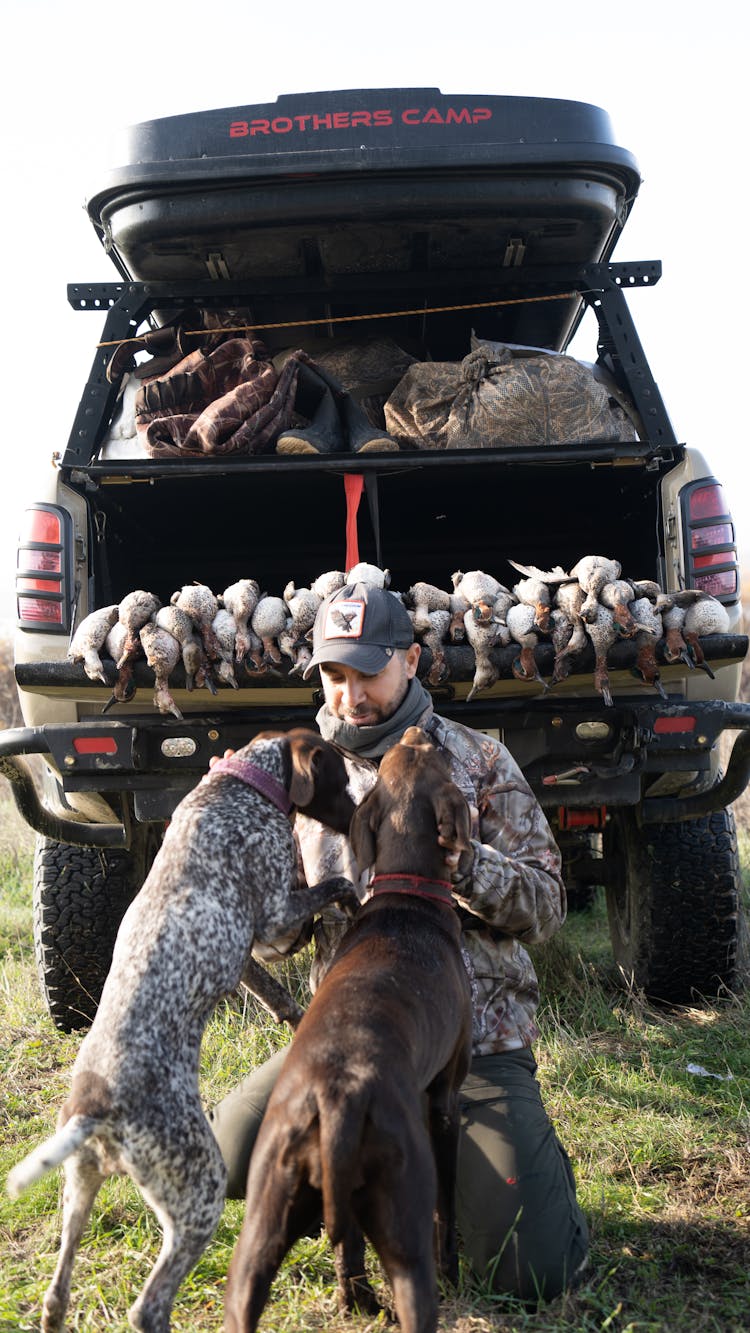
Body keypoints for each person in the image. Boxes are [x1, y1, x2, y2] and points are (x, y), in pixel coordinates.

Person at [208, 581, 589, 1301]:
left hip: (470, 1051)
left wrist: (465, 862)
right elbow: (275, 941)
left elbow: (546, 906)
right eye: (333, 674)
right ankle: (387, 1168)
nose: (350, 694)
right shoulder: (298, 774)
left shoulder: (476, 762)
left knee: (527, 1267)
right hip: (346, 1046)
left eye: (368, 671)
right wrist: (240, 857)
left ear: (411, 660)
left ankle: (523, 1175)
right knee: (225, 1153)